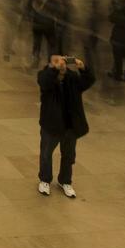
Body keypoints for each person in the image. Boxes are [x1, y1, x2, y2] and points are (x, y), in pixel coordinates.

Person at [37, 53, 93, 198]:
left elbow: (88, 81)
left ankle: (65, 181)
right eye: (56, 61)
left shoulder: (72, 77)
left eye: (62, 61)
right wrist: (54, 69)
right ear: (50, 63)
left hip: (69, 125)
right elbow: (45, 83)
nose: (60, 64)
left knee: (68, 155)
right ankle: (45, 180)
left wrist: (83, 68)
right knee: (46, 154)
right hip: (51, 124)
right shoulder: (45, 75)